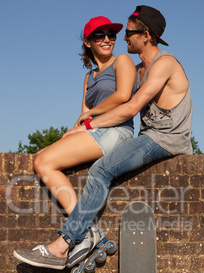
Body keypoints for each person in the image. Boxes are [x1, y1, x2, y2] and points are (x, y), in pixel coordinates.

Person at [14, 5, 193, 270]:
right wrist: (81, 126)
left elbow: (129, 106)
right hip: (149, 136)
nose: (122, 38)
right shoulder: (139, 70)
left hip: (167, 139)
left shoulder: (164, 63)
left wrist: (88, 125)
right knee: (45, 158)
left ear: (145, 35)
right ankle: (81, 236)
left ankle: (63, 245)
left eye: (128, 33)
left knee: (100, 171)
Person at [33, 16, 136, 216]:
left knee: (44, 162)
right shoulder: (89, 77)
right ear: (88, 42)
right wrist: (68, 135)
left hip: (116, 130)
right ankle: (81, 225)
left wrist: (91, 112)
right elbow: (83, 115)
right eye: (100, 35)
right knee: (41, 157)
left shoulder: (122, 61)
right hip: (94, 131)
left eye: (111, 35)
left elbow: (123, 96)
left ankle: (81, 226)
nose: (107, 39)